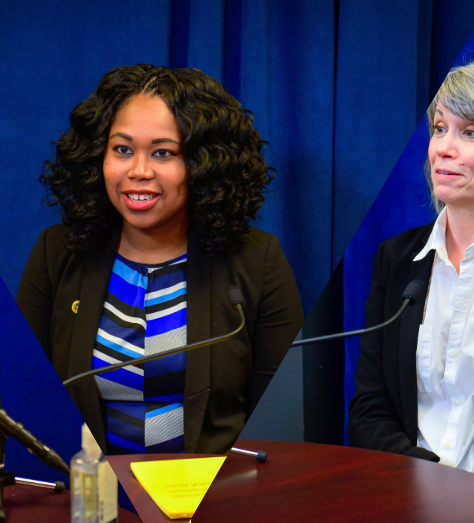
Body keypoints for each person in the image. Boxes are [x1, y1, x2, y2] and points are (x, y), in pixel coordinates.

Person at [17, 64, 304, 455]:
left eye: (163, 153)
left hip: (212, 499)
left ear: (203, 164)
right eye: (122, 149)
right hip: (92, 497)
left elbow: (279, 422)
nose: (138, 171)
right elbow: (26, 396)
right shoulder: (56, 253)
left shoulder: (259, 261)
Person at [348, 60, 474, 498]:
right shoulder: (397, 258)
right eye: (439, 128)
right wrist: (420, 480)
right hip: (408, 497)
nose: (443, 149)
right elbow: (369, 409)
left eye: (470, 133)